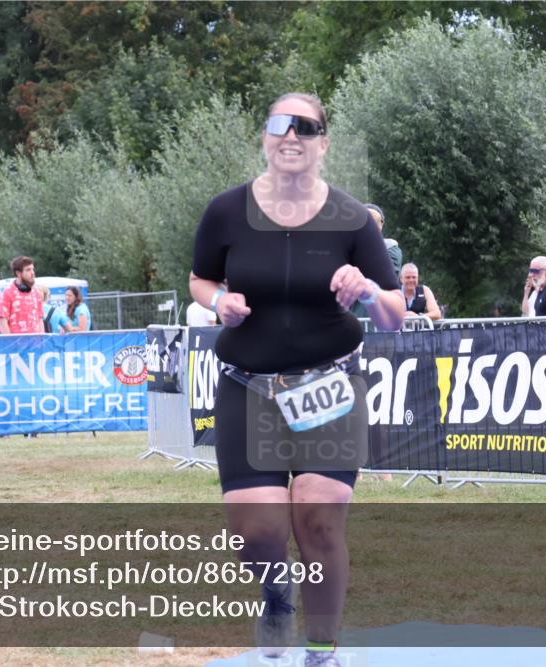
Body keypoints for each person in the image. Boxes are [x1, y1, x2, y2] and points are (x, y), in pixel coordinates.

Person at [189, 92, 404, 667]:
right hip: (247, 386)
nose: (291, 136)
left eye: (305, 127)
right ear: (264, 138)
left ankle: (321, 651)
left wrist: (367, 290)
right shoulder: (226, 211)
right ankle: (275, 597)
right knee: (256, 533)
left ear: (322, 144)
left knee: (318, 515)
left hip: (328, 384)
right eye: (279, 125)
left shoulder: (353, 218)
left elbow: (394, 313)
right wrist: (219, 304)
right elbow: (199, 280)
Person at [0, 256, 44, 334]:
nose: (32, 273)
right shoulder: (7, 292)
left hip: (35, 344)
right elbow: (3, 320)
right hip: (16, 344)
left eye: (32, 269)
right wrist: (10, 342)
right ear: (18, 273)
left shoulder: (36, 292)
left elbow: (39, 319)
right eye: (28, 270)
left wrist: (42, 340)